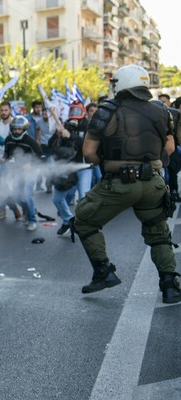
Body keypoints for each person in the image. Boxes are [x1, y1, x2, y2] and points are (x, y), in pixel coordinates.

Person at [73, 64, 181, 303]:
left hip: (120, 184)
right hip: (153, 183)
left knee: (83, 219)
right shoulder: (162, 110)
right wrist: (154, 164)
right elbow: (170, 148)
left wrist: (106, 161)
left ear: (120, 84)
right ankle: (170, 285)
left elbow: (89, 152)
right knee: (159, 234)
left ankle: (104, 272)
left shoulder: (107, 110)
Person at [1, 116, 44, 231]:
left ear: (24, 129)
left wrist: (31, 164)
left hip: (31, 172)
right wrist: (4, 158)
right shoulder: (8, 139)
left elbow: (41, 157)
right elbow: (7, 153)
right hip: (17, 172)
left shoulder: (30, 141)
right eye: (14, 129)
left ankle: (32, 220)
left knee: (27, 195)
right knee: (16, 196)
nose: (16, 131)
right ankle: (30, 210)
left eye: (19, 129)